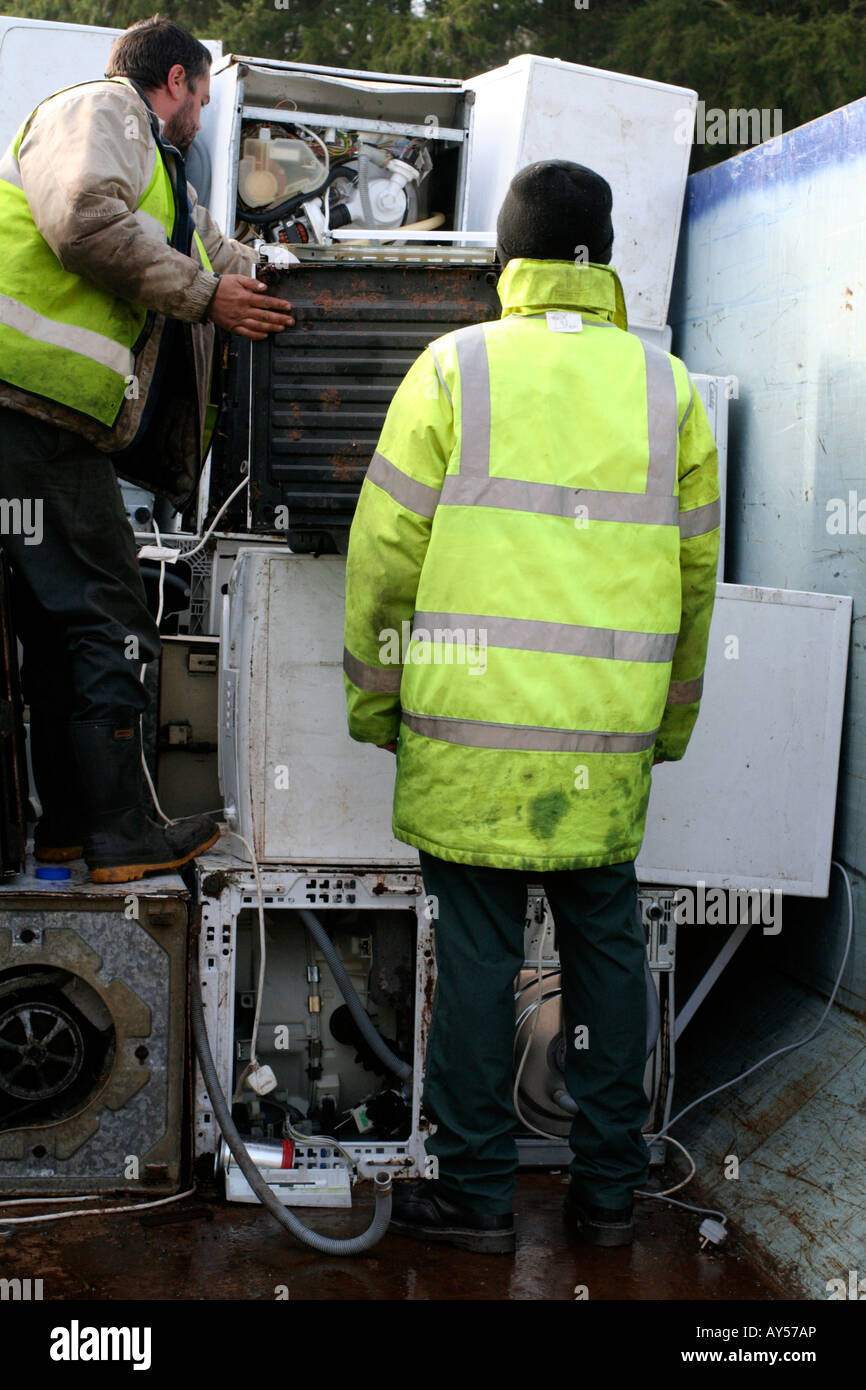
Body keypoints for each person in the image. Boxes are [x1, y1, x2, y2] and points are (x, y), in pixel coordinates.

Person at [343, 160, 720, 1252]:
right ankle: (608, 1192)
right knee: (607, 949)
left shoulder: (453, 367)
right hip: (601, 752)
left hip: (468, 742)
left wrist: (379, 703)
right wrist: (669, 725)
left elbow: (383, 557)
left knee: (475, 956)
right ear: (603, 260)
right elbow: (696, 583)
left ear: (504, 260)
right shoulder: (668, 388)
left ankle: (476, 1195)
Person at [0, 17, 294, 884]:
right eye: (202, 99)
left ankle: (68, 831)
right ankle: (121, 836)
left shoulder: (160, 173)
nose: (202, 118)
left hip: (38, 418)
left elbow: (210, 246)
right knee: (112, 616)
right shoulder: (102, 111)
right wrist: (210, 299)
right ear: (176, 79)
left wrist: (275, 269)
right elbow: (85, 222)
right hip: (30, 409)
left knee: (60, 626)